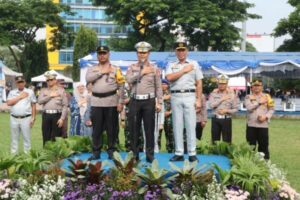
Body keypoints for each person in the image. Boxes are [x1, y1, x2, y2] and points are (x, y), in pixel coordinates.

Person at [86, 45, 125, 160]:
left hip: (111, 101)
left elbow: (121, 86)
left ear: (108, 54)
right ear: (97, 55)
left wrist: (121, 102)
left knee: (112, 128)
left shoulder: (116, 69)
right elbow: (88, 79)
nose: (102, 56)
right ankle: (96, 152)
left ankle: (111, 151)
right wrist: (102, 72)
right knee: (96, 129)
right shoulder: (92, 68)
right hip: (96, 102)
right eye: (100, 54)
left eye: (104, 53)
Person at [166, 41, 203, 162]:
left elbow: (199, 82)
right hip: (175, 95)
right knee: (177, 125)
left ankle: (192, 152)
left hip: (190, 95)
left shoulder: (194, 64)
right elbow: (169, 78)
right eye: (179, 50)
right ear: (175, 52)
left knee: (190, 124)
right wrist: (184, 70)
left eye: (183, 50)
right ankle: (179, 152)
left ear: (187, 51)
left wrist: (198, 100)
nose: (181, 52)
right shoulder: (171, 64)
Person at [126, 41, 162, 163]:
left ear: (149, 53)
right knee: (134, 129)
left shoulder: (155, 68)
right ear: (137, 53)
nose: (142, 55)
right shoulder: (132, 67)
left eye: (144, 53)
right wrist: (141, 73)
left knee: (149, 129)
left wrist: (159, 102)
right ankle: (135, 155)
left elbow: (158, 87)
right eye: (140, 53)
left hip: (149, 101)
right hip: (135, 100)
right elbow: (129, 79)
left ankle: (150, 155)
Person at [245, 79, 274, 159]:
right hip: (251, 125)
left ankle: (265, 165)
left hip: (263, 125)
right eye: (255, 86)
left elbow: (271, 109)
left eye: (259, 86)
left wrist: (266, 116)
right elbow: (249, 107)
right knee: (251, 147)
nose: (257, 87)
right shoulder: (248, 97)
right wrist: (259, 103)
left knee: (264, 146)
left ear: (262, 87)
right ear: (251, 88)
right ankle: (250, 163)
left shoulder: (267, 97)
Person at [6, 76, 36, 154]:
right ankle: (14, 156)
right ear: (16, 83)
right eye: (19, 82)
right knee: (14, 139)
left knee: (27, 138)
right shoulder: (12, 92)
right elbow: (9, 103)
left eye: (22, 82)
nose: (20, 84)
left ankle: (28, 156)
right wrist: (20, 97)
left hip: (26, 118)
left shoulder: (30, 92)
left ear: (25, 82)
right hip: (14, 118)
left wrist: (33, 117)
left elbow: (33, 105)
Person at [38, 71, 68, 145]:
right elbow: (39, 101)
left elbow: (65, 106)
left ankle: (56, 155)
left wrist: (62, 118)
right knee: (46, 136)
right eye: (48, 80)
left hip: (57, 115)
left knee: (56, 137)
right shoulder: (43, 90)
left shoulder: (61, 91)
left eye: (51, 80)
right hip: (46, 115)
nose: (49, 81)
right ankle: (46, 154)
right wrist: (50, 96)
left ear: (55, 80)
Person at [209, 74, 238, 144]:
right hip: (215, 119)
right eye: (220, 83)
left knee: (227, 141)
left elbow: (236, 109)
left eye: (223, 83)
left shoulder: (232, 95)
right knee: (215, 141)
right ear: (217, 84)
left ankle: (226, 154)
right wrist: (221, 99)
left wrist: (227, 111)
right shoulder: (213, 94)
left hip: (226, 119)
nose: (221, 85)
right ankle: (215, 154)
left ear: (227, 84)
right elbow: (211, 106)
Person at [158, 79, 175, 153]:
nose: (163, 85)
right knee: (158, 135)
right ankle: (157, 149)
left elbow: (175, 104)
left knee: (170, 135)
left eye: (165, 84)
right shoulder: (158, 94)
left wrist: (170, 112)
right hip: (159, 117)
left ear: (167, 85)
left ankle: (170, 150)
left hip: (168, 117)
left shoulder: (171, 94)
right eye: (162, 84)